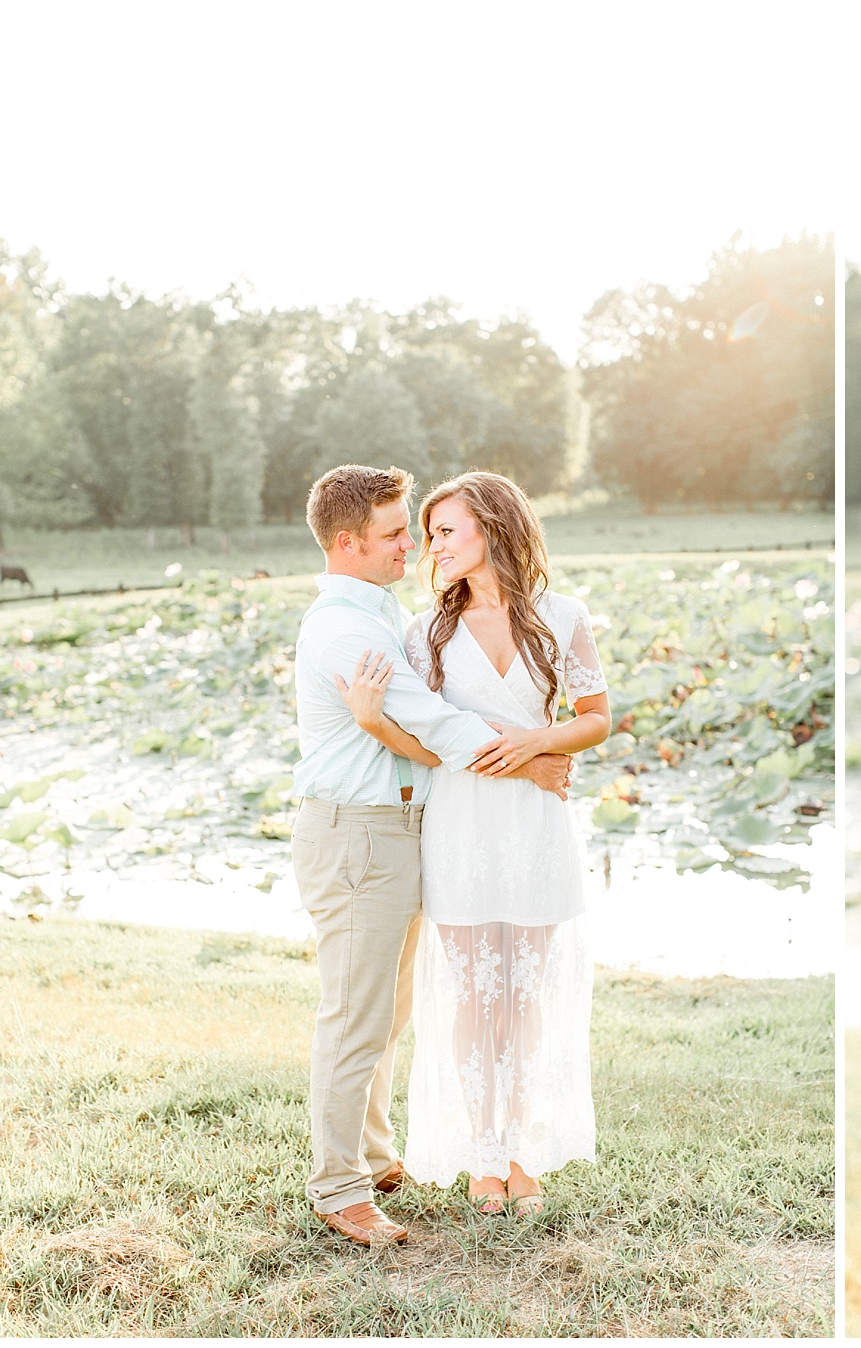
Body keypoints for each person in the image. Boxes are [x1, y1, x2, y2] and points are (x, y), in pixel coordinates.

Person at [290, 464, 573, 1247]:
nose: (410, 546)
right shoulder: (348, 628)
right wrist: (536, 760)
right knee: (354, 1017)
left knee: (388, 1013)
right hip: (358, 833)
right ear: (347, 543)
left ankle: (375, 1157)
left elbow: (417, 728)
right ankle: (339, 1189)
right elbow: (440, 725)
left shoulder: (381, 613)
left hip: (400, 831)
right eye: (392, 533)